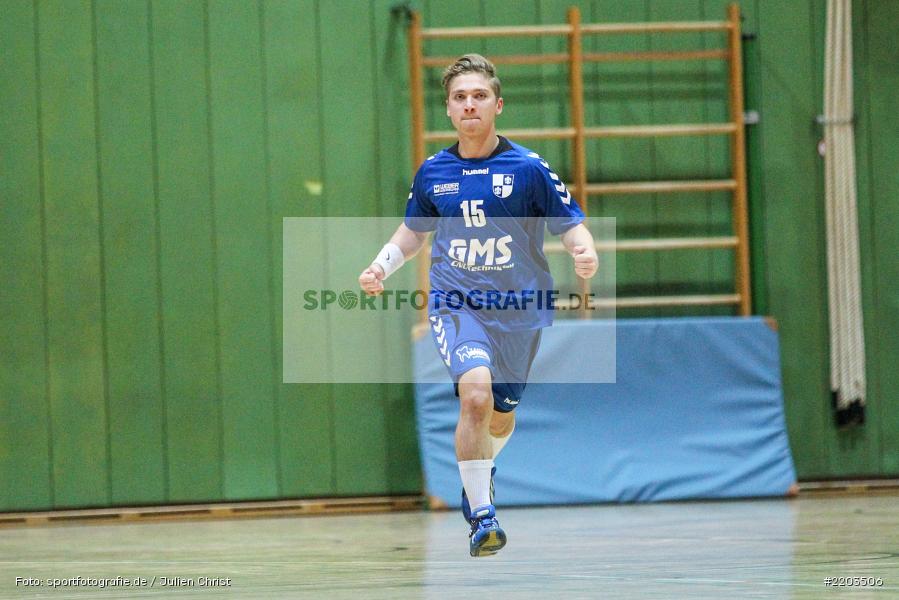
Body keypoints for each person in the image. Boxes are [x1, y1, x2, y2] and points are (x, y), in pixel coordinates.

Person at [358, 54, 597, 557]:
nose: (470, 104)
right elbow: (412, 234)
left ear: (497, 105)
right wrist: (381, 265)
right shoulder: (433, 172)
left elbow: (567, 218)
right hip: (456, 302)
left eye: (479, 96)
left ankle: (482, 471)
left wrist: (584, 246)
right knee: (474, 397)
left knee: (501, 415)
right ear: (448, 109)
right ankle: (481, 512)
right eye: (460, 97)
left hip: (518, 308)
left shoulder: (528, 169)